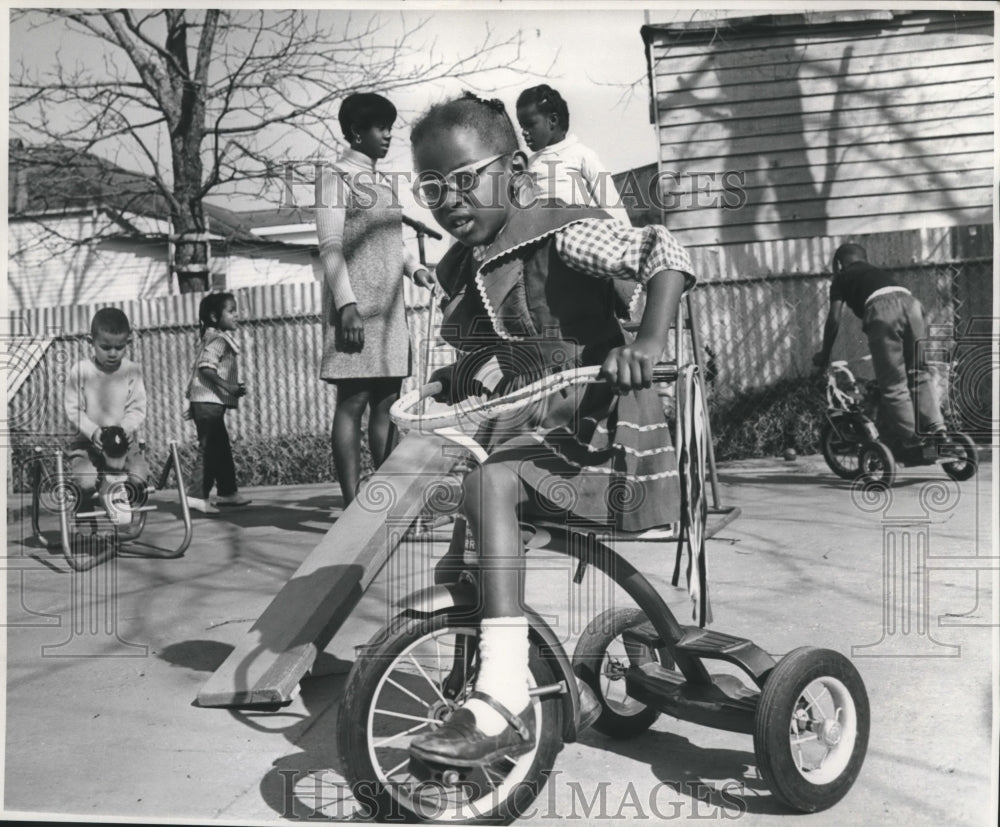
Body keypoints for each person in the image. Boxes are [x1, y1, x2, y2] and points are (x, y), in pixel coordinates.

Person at [405, 93, 694, 767]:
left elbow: (664, 251)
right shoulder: (468, 263)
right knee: (463, 541)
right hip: (538, 432)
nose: (448, 199)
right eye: (430, 188)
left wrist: (646, 342)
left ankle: (503, 695)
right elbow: (497, 344)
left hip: (600, 439)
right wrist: (458, 375)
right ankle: (473, 684)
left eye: (464, 179)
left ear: (514, 169)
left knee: (489, 482)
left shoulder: (560, 229)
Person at [315, 92, 436, 506]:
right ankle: (352, 503)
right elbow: (330, 246)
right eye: (380, 128)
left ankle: (386, 497)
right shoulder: (335, 177)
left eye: (389, 127)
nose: (388, 135)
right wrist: (347, 305)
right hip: (356, 310)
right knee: (354, 402)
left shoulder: (382, 183)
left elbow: (394, 245)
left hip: (390, 312)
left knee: (389, 402)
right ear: (356, 132)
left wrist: (416, 269)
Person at [813, 243, 948, 460]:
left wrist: (825, 353)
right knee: (918, 372)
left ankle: (910, 441)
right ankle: (938, 431)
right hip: (912, 305)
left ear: (839, 264)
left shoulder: (841, 277)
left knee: (893, 382)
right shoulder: (876, 272)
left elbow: (834, 318)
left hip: (884, 311)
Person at [64, 307, 150, 518]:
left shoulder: (131, 370)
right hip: (87, 444)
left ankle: (118, 505)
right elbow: (73, 408)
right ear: (90, 341)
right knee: (85, 481)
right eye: (105, 347)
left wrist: (125, 428)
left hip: (122, 443)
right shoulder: (81, 371)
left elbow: (137, 407)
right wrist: (93, 432)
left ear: (127, 343)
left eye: (119, 347)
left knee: (139, 477)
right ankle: (85, 512)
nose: (113, 353)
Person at [515, 84, 632, 226]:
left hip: (580, 230)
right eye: (522, 127)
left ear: (552, 120)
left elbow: (610, 200)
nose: (524, 132)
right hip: (546, 235)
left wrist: (624, 232)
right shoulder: (531, 166)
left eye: (530, 125)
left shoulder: (580, 154)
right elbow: (523, 210)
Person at [185, 291, 250, 514]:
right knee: (210, 449)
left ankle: (227, 492)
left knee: (220, 448)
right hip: (208, 403)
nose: (236, 314)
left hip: (207, 403)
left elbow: (197, 370)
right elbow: (205, 368)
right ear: (214, 316)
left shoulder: (212, 338)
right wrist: (228, 386)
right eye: (231, 311)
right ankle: (195, 496)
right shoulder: (218, 340)